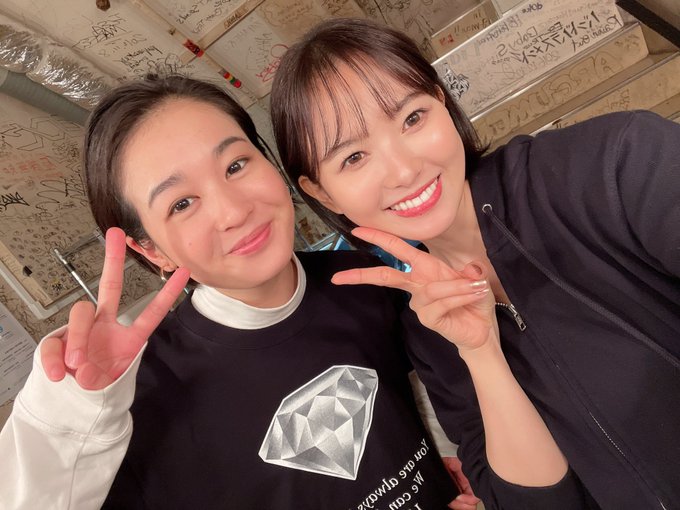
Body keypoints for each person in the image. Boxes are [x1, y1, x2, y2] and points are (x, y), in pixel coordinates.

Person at [0, 75, 483, 509]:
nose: (233, 211)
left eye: (235, 165)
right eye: (182, 203)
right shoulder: (136, 399)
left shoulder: (360, 278)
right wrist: (68, 421)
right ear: (150, 250)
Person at [269, 17, 680, 510]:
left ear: (441, 101)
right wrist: (481, 352)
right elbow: (541, 505)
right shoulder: (428, 333)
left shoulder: (611, 165)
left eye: (412, 118)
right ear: (321, 192)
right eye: (353, 158)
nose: (404, 170)